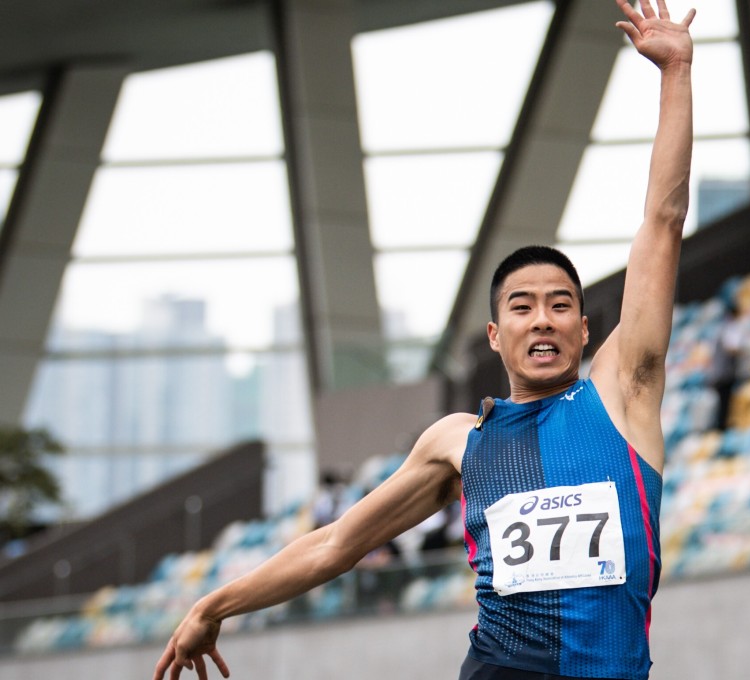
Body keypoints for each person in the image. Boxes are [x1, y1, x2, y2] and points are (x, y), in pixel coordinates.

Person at [153, 1, 694, 678]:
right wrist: (215, 605)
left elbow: (663, 222)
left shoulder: (624, 394)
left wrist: (675, 73)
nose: (543, 320)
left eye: (561, 305)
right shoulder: (457, 441)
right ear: (496, 336)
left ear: (586, 329)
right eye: (522, 307)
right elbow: (336, 545)